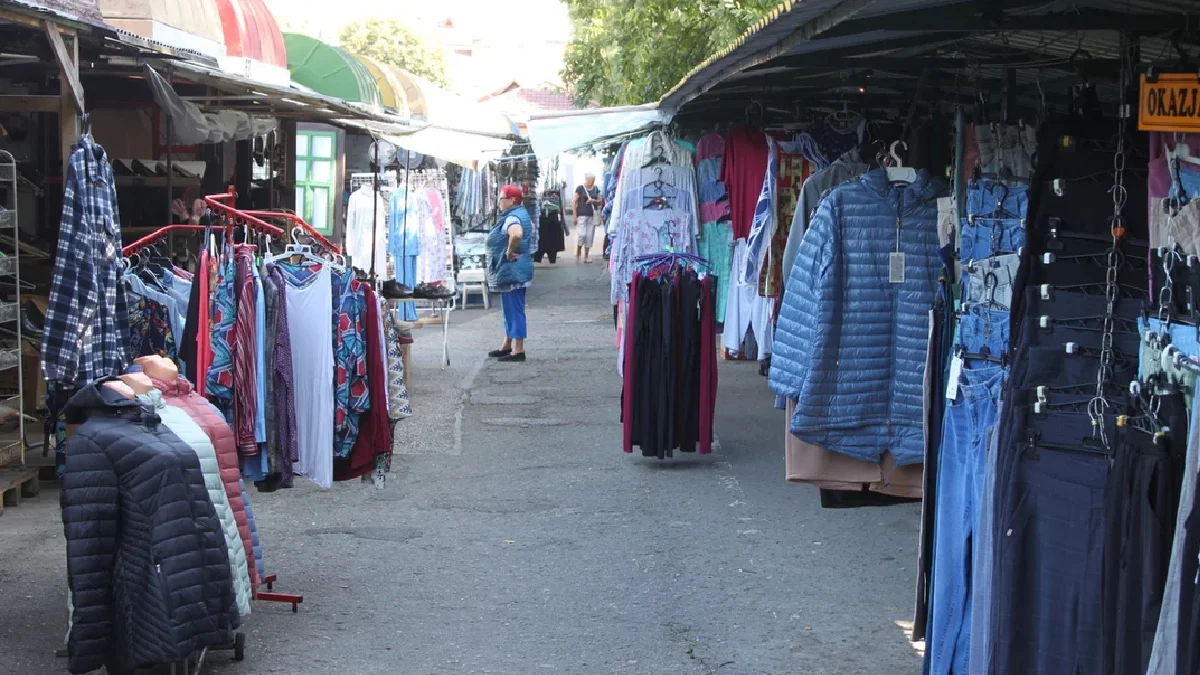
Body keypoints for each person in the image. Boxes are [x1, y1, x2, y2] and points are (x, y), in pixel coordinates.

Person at [487, 184, 534, 362]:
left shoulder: (513, 217)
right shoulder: (519, 214)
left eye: (501, 198)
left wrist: (508, 252)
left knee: (514, 309)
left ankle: (518, 349)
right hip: (515, 270)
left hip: (513, 270)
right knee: (510, 308)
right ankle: (507, 343)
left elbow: (516, 234)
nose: (499, 202)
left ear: (512, 200)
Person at [572, 172, 604, 263]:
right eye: (590, 180)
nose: (592, 182)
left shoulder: (596, 188)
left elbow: (600, 201)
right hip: (581, 215)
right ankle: (578, 249)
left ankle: (586, 255)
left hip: (592, 215)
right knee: (582, 235)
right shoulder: (580, 188)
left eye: (593, 180)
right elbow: (574, 201)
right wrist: (574, 216)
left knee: (589, 236)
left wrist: (593, 200)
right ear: (586, 179)